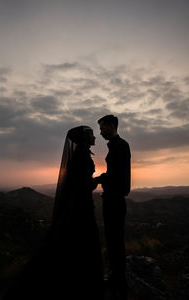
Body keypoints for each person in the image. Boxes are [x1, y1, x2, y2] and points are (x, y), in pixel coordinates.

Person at [3, 126, 104, 300]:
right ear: (85, 138)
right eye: (91, 134)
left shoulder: (80, 153)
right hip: (81, 206)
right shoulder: (81, 155)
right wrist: (100, 179)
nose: (95, 136)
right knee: (85, 238)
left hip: (80, 204)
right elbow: (83, 184)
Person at [96, 115, 131, 299]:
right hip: (111, 198)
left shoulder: (121, 146)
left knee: (115, 241)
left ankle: (119, 283)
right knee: (112, 240)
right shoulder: (116, 146)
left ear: (111, 126)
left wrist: (99, 179)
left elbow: (118, 176)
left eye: (102, 128)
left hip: (115, 200)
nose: (100, 132)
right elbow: (114, 173)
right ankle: (117, 278)